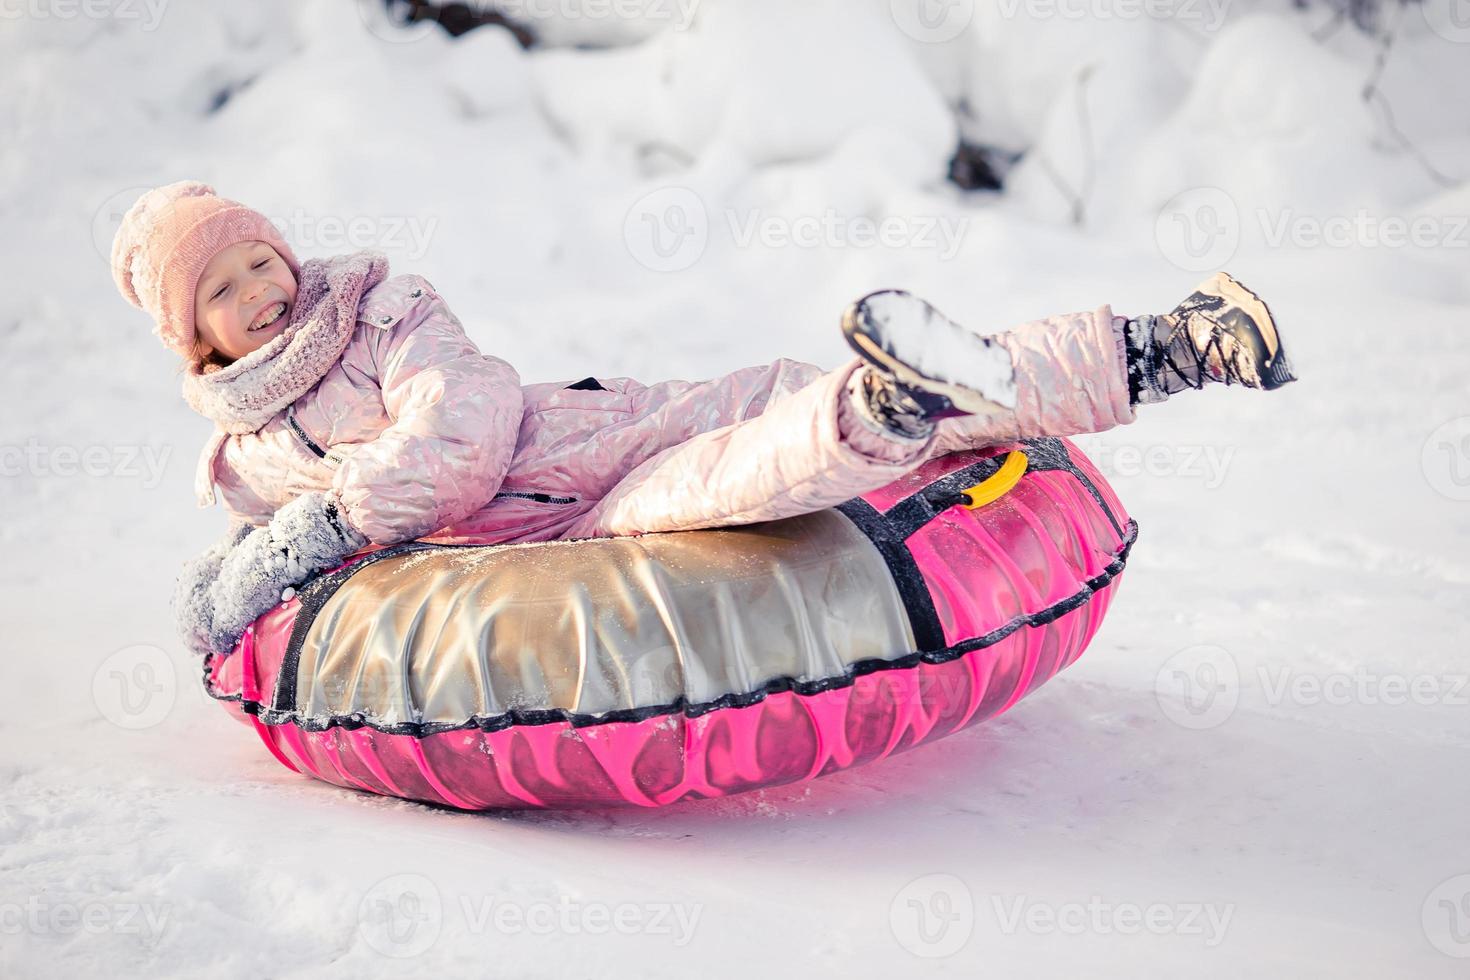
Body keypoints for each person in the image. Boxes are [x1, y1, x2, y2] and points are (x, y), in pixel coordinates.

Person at [110, 181, 1296, 658]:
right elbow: (266, 582)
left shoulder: (387, 310)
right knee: (753, 468)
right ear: (198, 337)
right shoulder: (248, 459)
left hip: (590, 448)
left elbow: (461, 436)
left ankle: (1165, 344)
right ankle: (888, 405)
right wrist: (274, 551)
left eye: (261, 257)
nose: (263, 288)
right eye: (225, 288)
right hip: (568, 547)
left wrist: (327, 522)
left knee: (776, 408)